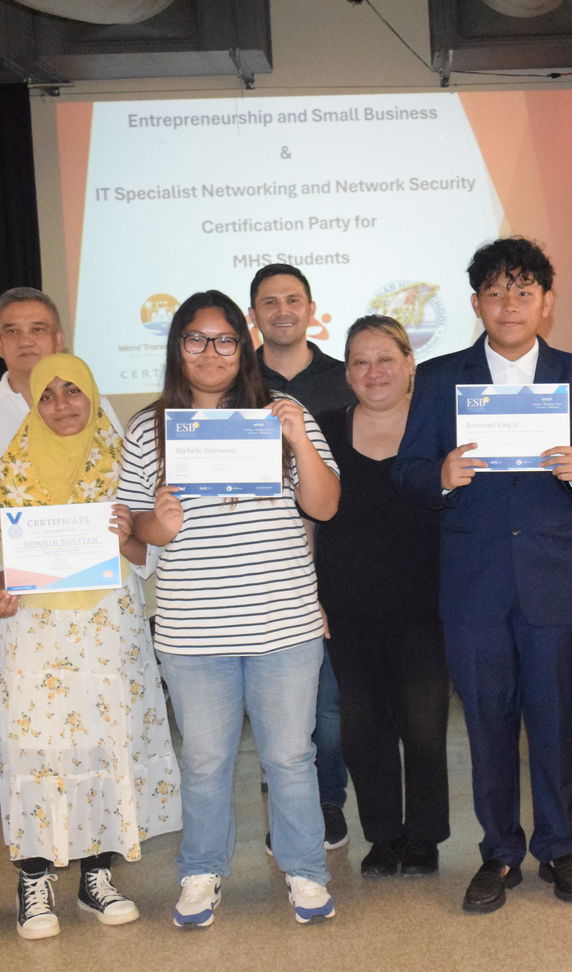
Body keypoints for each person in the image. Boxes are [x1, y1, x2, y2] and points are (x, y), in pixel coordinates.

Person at [393, 236, 572, 914]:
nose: (509, 304)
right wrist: (440, 475)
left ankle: (557, 846)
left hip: (552, 583)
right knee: (488, 724)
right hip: (474, 586)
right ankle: (499, 852)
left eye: (524, 291)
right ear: (475, 303)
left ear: (546, 302)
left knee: (551, 721)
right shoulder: (439, 379)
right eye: (495, 292)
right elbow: (407, 471)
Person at [119, 290, 341, 928]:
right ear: (177, 348)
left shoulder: (281, 413)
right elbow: (136, 535)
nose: (210, 353)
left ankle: (305, 871)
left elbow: (325, 506)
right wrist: (156, 523)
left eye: (223, 340)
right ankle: (201, 872)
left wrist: (297, 441)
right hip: (193, 631)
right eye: (195, 339)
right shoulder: (148, 427)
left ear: (242, 346)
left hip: (284, 623)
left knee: (291, 758)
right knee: (206, 761)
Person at [0, 353, 181, 939]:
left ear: (94, 396)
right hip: (34, 633)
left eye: (74, 391)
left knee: (103, 741)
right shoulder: (10, 470)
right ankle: (34, 878)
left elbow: (151, 557)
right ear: (33, 402)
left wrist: (128, 537)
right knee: (36, 746)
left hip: (107, 630)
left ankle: (98, 874)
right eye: (48, 394)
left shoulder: (124, 464)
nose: (62, 404)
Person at [314, 316, 450, 878]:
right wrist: (310, 593)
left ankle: (423, 836)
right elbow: (308, 520)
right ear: (347, 372)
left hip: (427, 604)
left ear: (410, 363)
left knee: (422, 725)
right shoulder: (323, 429)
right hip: (347, 604)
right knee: (362, 726)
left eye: (385, 359)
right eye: (360, 362)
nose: (373, 372)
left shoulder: (438, 429)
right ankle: (383, 836)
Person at [249, 263, 355, 847]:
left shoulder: (345, 380)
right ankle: (283, 808)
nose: (283, 310)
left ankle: (328, 800)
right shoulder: (236, 387)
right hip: (264, 565)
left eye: (294, 300)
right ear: (254, 315)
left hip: (335, 558)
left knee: (329, 705)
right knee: (274, 707)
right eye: (270, 302)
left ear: (312, 308)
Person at [0, 287, 120, 460]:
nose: (25, 341)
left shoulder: (93, 403)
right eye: (12, 331)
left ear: (58, 340)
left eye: (37, 329)